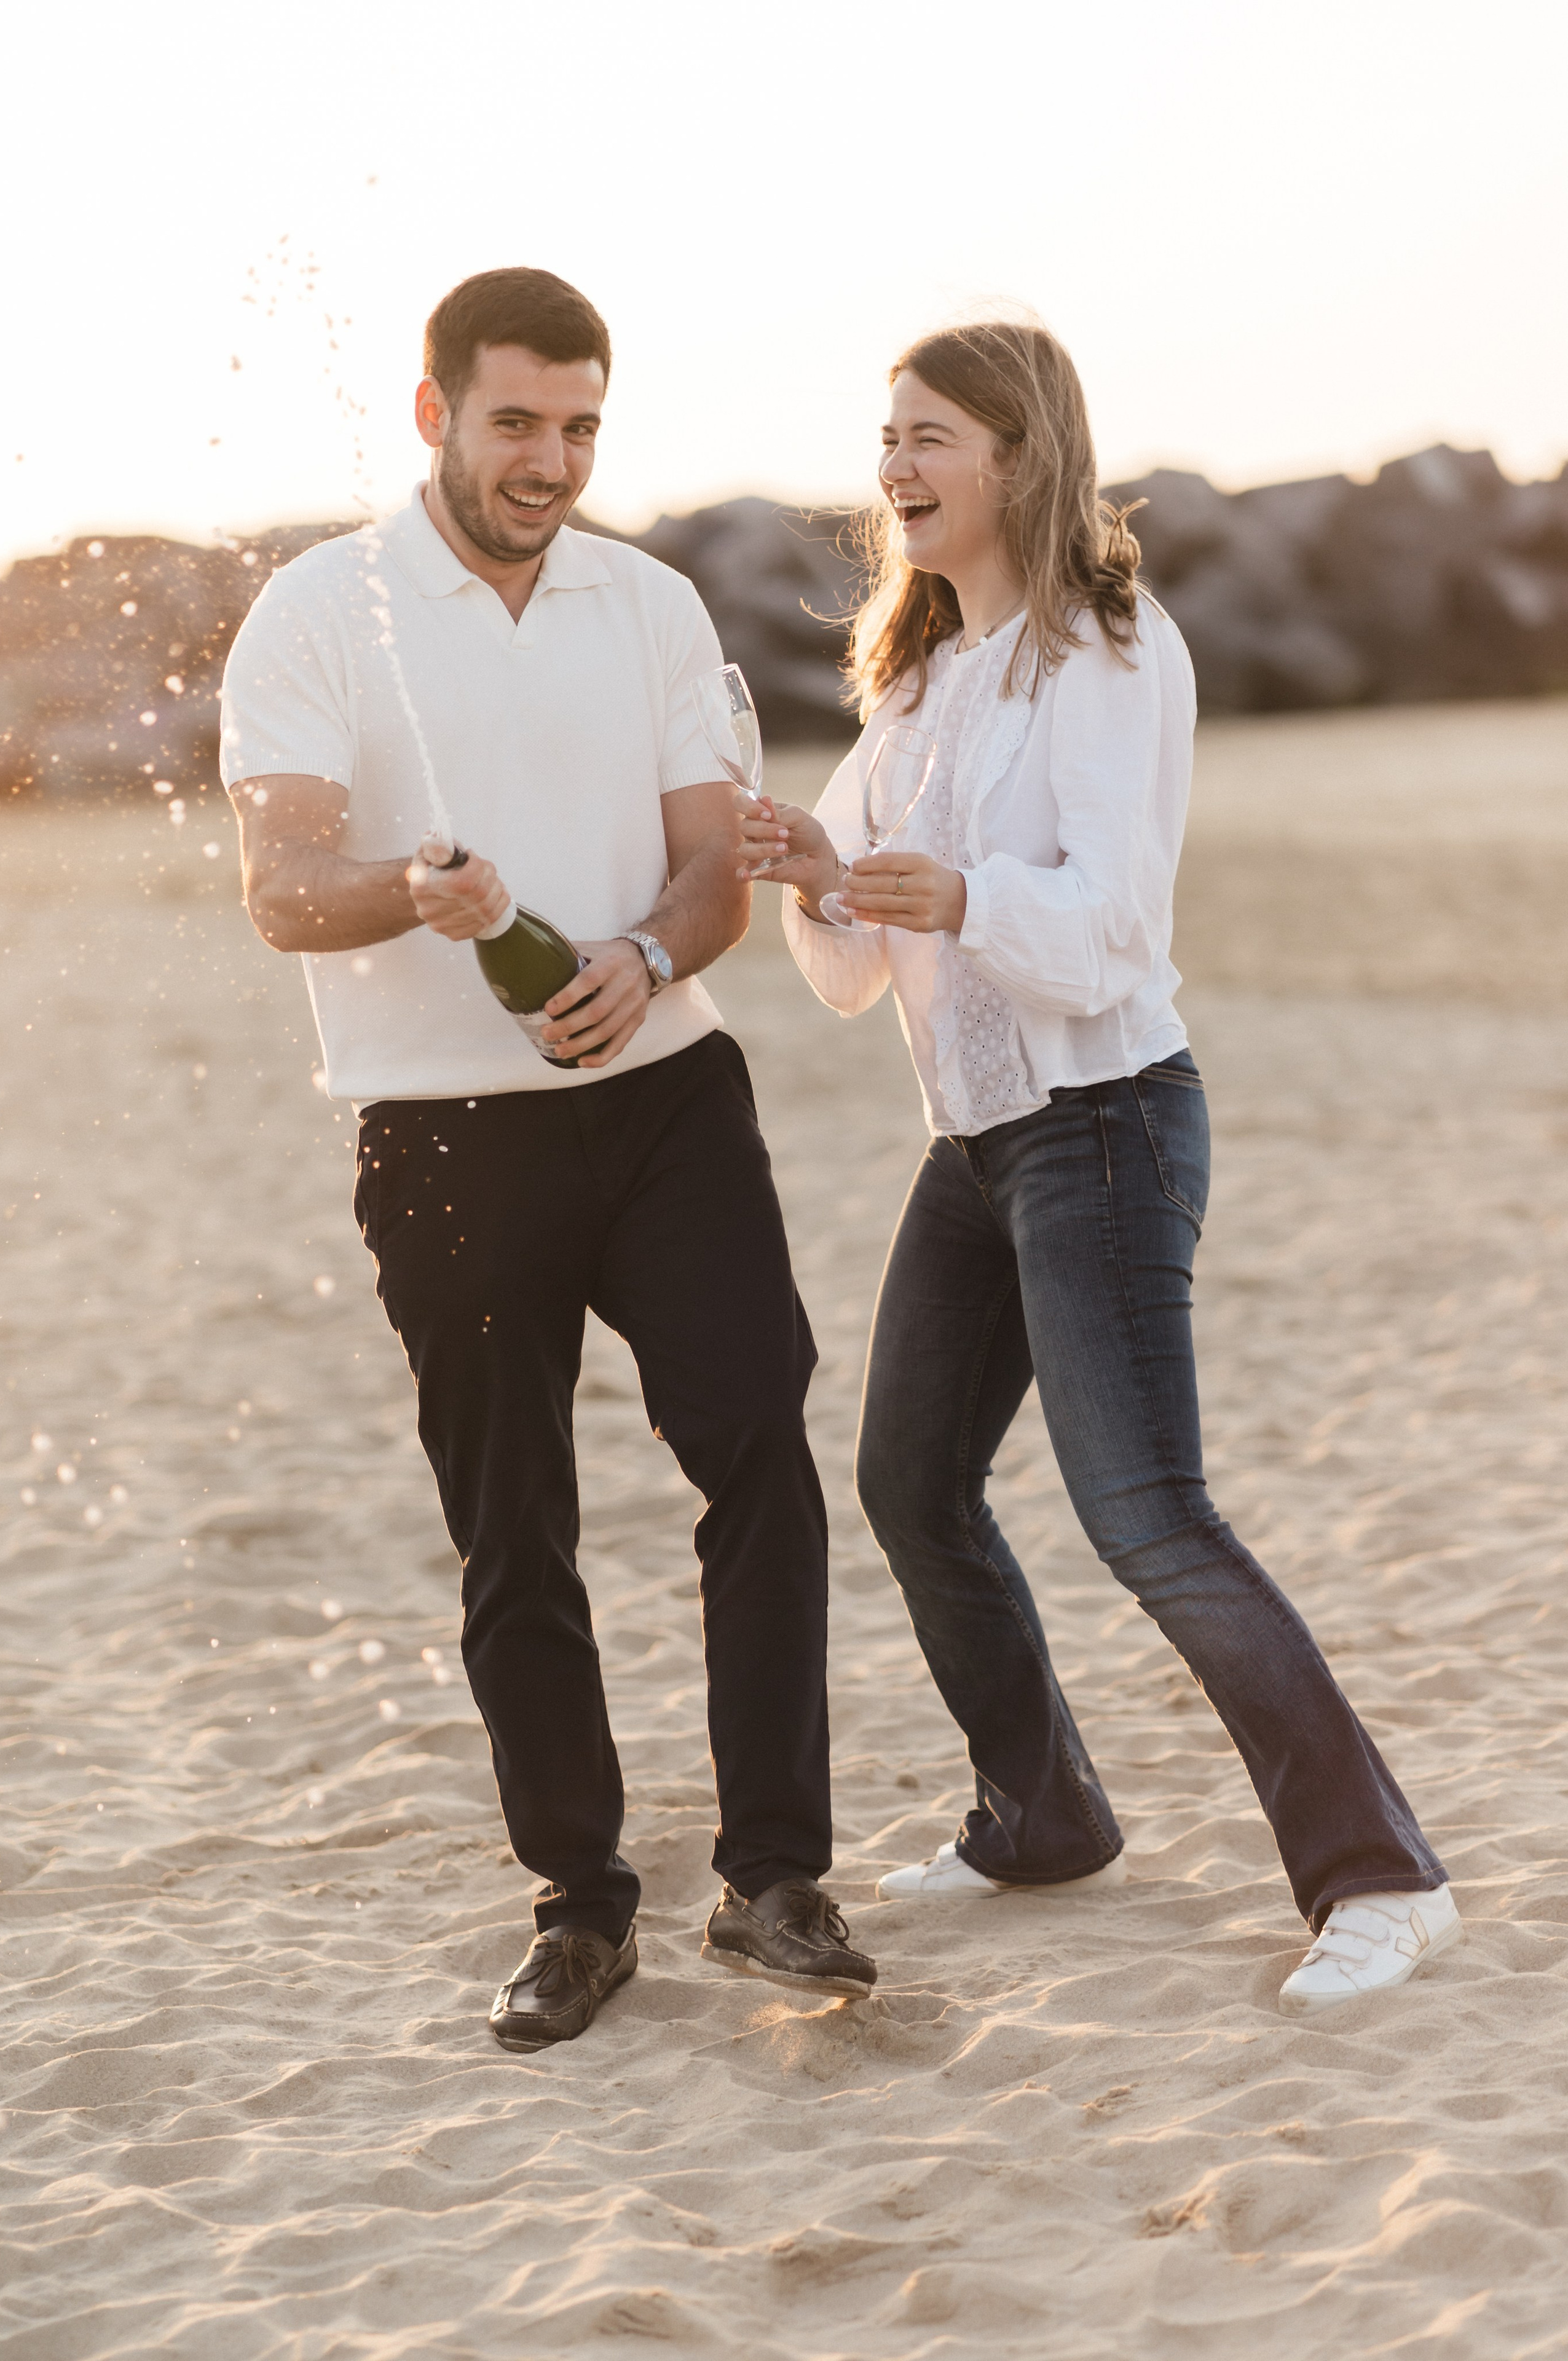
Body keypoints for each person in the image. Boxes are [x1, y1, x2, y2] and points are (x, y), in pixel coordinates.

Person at [736, 320, 1459, 2015]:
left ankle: (1384, 1876)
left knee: (1148, 1514)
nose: (898, 469)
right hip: (973, 1146)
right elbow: (851, 965)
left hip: (1110, 1123)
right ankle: (1043, 1811)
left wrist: (955, 895)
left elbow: (1117, 925)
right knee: (913, 1481)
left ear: (1017, 454)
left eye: (931, 438)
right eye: (889, 439)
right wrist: (811, 868)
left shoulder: (1108, 649)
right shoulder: (909, 682)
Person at [219, 266, 876, 2052]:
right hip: (438, 1133)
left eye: (580, 426)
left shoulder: (651, 605)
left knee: (759, 1438)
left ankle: (774, 1877)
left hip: (667, 1100)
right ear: (435, 413)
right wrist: (411, 896)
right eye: (517, 422)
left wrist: (648, 956)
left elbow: (715, 865)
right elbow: (282, 888)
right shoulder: (311, 613)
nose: (551, 460)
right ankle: (581, 1904)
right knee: (513, 1521)